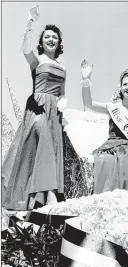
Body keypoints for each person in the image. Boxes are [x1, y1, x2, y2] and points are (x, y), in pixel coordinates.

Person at [2, 6, 67, 210]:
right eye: (47, 36)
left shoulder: (63, 68)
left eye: (54, 37)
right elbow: (25, 50)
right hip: (38, 109)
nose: (50, 39)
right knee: (41, 147)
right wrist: (30, 25)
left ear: (58, 42)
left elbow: (62, 91)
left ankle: (44, 195)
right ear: (42, 41)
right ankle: (46, 196)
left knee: (50, 151)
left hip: (54, 112)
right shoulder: (37, 61)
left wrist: (63, 101)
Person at [81, 59, 128, 194]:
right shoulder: (112, 107)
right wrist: (86, 80)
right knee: (114, 159)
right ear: (121, 87)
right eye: (125, 84)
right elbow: (88, 104)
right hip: (112, 147)